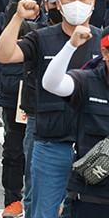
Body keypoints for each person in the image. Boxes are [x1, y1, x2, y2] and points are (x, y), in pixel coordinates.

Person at [0, 0, 102, 218]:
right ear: (58, 3)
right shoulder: (41, 37)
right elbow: (3, 55)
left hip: (94, 143)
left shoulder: (101, 41)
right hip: (49, 138)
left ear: (93, 3)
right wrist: (17, 17)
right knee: (42, 210)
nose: (78, 4)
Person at [43, 25, 109, 217]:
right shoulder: (86, 81)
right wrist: (70, 46)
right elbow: (51, 83)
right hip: (91, 196)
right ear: (105, 53)